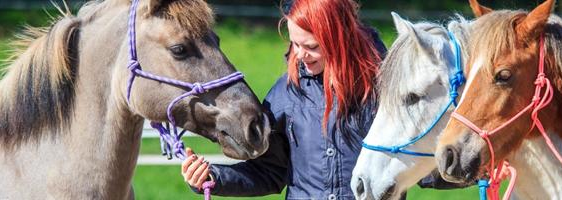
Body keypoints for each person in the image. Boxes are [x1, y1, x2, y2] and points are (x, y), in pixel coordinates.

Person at [180, 0, 460, 199]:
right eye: (295, 44)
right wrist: (214, 179)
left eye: (311, 46)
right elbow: (271, 172)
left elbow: (423, 166)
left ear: (339, 38)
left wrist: (475, 165)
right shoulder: (285, 94)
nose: (300, 55)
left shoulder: (385, 89)